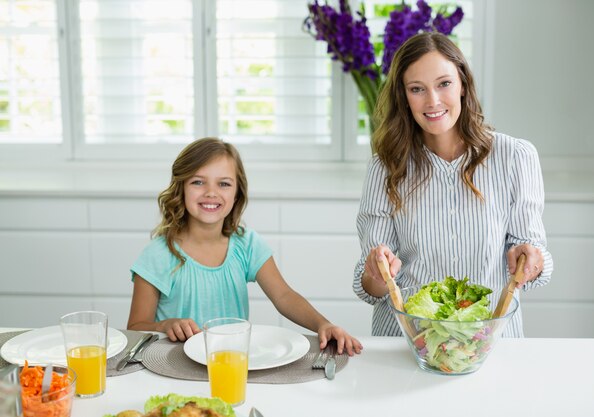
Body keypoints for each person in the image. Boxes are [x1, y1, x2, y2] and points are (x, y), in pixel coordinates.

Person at [353, 32, 553, 337]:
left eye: (444, 83)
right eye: (417, 89)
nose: (432, 101)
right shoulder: (385, 168)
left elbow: (534, 260)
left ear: (462, 84)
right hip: (409, 342)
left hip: (490, 344)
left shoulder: (516, 157)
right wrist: (378, 271)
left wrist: (531, 258)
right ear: (403, 97)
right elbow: (372, 289)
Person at [128, 138, 362, 355]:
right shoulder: (157, 255)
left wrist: (323, 324)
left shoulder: (246, 244)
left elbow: (283, 296)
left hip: (231, 363)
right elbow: (136, 327)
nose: (211, 192)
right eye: (198, 182)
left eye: (224, 184)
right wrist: (165, 325)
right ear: (181, 188)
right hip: (172, 365)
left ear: (237, 193)